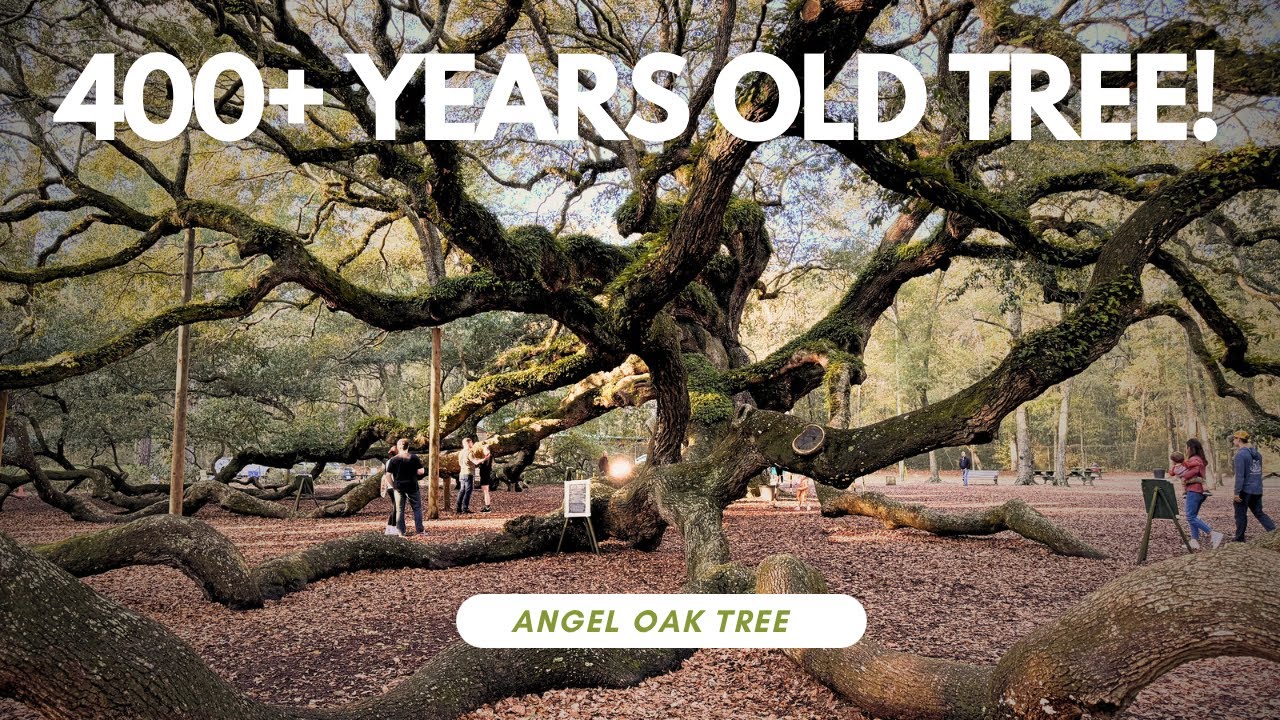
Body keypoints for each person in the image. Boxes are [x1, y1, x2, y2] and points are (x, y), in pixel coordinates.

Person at [1230, 430, 1275, 541]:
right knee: (1259, 513)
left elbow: (1240, 476)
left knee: (1240, 514)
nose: (1233, 440)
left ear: (1239, 439)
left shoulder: (1240, 455)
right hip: (1257, 488)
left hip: (1245, 490)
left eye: (1234, 438)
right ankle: (1274, 532)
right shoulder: (1257, 454)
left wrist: (1236, 492)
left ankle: (1239, 539)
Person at [1178, 441, 1222, 550]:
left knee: (1190, 516)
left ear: (1190, 448)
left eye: (1186, 447)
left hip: (1194, 490)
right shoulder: (1199, 458)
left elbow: (1194, 471)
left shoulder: (1194, 459)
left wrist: (1183, 475)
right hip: (1199, 491)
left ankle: (1213, 533)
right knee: (1193, 516)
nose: (1186, 449)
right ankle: (1194, 540)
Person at [386, 439, 426, 536]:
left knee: (400, 510)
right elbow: (421, 471)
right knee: (417, 508)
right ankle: (420, 530)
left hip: (399, 487)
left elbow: (388, 475)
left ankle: (401, 532)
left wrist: (393, 485)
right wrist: (414, 471)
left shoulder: (393, 460)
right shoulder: (414, 457)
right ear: (408, 447)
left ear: (398, 447)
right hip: (412, 486)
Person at [456, 437, 476, 514]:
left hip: (462, 473)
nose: (472, 444)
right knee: (468, 491)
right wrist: (484, 458)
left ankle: (458, 508)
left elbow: (459, 463)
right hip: (468, 473)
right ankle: (465, 508)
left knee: (462, 491)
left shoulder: (460, 452)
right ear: (468, 443)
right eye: (471, 442)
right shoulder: (469, 452)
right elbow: (476, 462)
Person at [476, 443, 494, 513]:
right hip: (485, 475)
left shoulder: (487, 457)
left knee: (486, 491)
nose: (483, 451)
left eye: (484, 449)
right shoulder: (488, 456)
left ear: (487, 450)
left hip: (485, 475)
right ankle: (486, 506)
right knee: (485, 491)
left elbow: (484, 466)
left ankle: (488, 507)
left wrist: (481, 462)